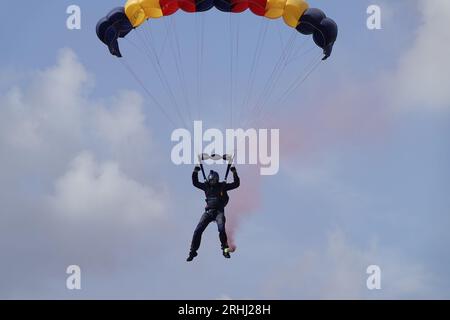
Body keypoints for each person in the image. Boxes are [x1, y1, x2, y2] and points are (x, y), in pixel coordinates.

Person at [187, 165, 240, 261]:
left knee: (221, 229)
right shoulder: (206, 186)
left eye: (214, 180)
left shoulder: (222, 186)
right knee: (198, 230)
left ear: (217, 179)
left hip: (219, 212)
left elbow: (236, 184)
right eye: (211, 180)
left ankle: (225, 249)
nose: (213, 182)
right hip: (208, 213)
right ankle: (193, 251)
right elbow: (195, 182)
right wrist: (195, 171)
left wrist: (234, 172)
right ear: (209, 180)